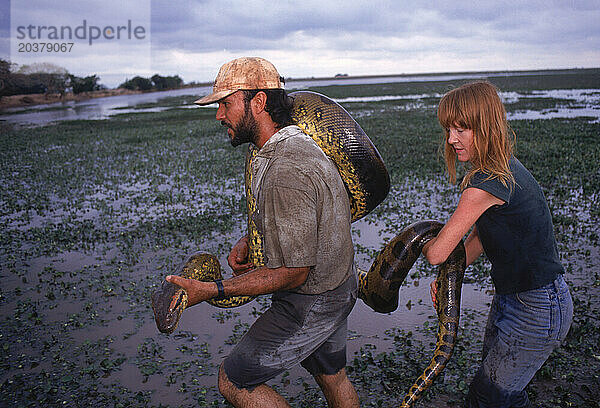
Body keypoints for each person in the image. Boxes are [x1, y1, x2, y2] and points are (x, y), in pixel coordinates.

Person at [166, 57, 360, 408]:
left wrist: (211, 290)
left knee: (234, 380)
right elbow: (305, 215)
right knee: (332, 375)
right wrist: (255, 238)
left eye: (226, 104)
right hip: (340, 282)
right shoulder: (294, 147)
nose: (219, 115)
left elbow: (293, 273)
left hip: (312, 298)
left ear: (258, 102)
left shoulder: (286, 169)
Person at [422, 81, 573, 408]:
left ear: (485, 126)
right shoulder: (499, 168)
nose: (451, 139)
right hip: (518, 298)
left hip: (538, 307)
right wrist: (449, 280)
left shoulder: (485, 184)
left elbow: (436, 253)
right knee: (504, 394)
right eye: (448, 129)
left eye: (461, 129)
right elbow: (478, 241)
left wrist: (417, 239)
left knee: (487, 398)